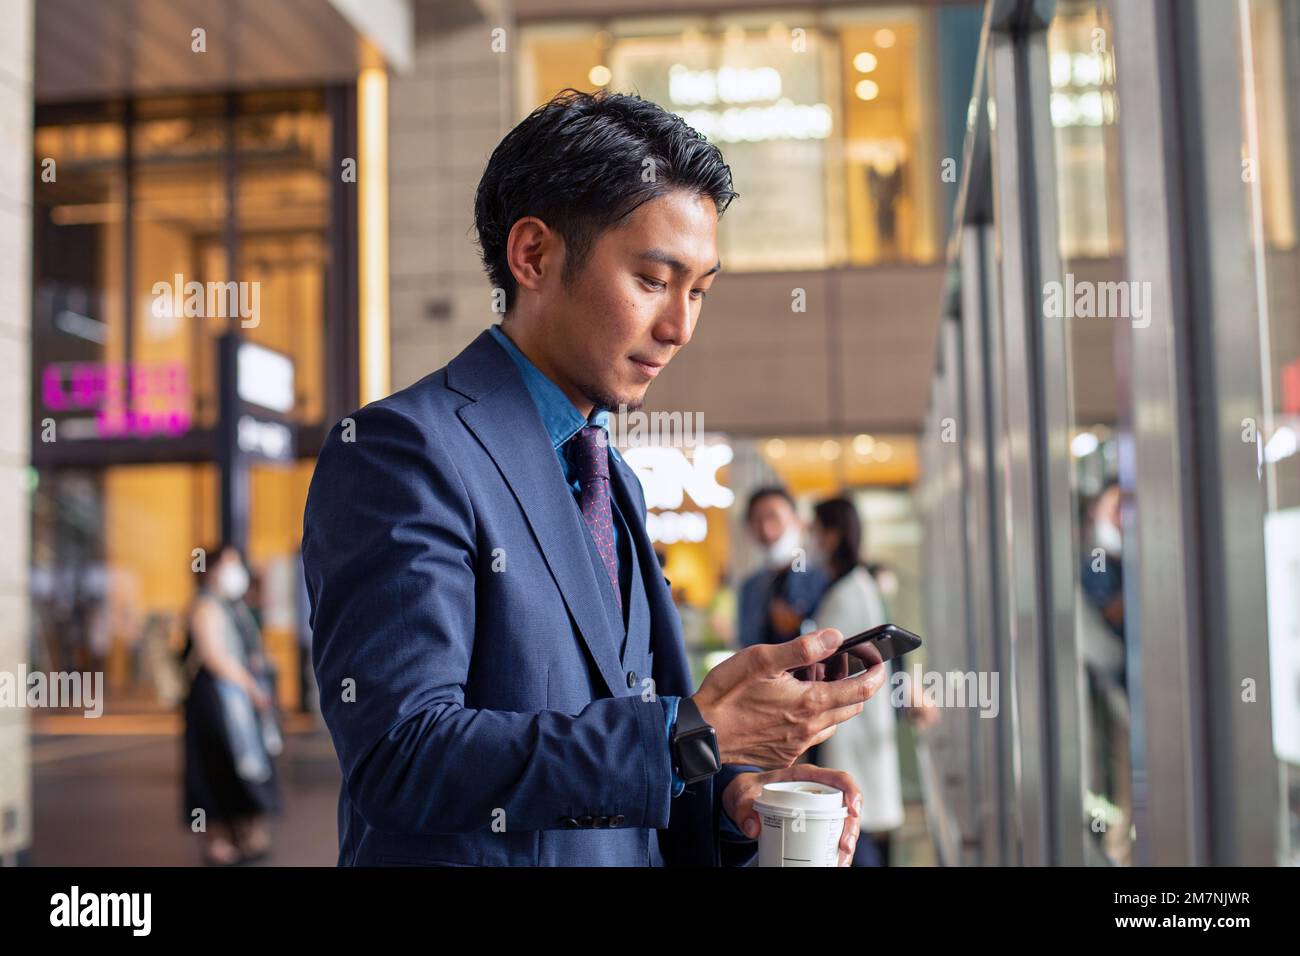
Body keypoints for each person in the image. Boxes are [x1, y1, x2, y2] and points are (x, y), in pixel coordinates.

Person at [303, 89, 887, 867]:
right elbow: (403, 753)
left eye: (700, 290)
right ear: (534, 255)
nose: (680, 327)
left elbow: (633, 755)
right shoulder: (402, 452)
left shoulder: (612, 477)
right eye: (652, 280)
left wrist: (729, 794)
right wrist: (688, 736)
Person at [803, 498, 905, 867]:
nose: (810, 539)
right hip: (854, 728)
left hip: (853, 729)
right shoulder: (851, 586)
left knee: (853, 828)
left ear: (832, 536)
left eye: (814, 530)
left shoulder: (850, 592)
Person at [179, 544, 283, 865]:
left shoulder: (233, 606)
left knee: (240, 764)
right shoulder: (206, 607)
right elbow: (214, 657)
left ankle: (245, 833)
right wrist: (251, 686)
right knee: (216, 766)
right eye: (229, 564)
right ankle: (218, 840)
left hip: (236, 695)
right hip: (216, 699)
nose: (237, 571)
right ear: (210, 570)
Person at [737, 486, 830, 649]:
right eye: (757, 520)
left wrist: (798, 624)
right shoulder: (750, 587)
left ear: (796, 521)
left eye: (774, 518)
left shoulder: (821, 577)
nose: (766, 530)